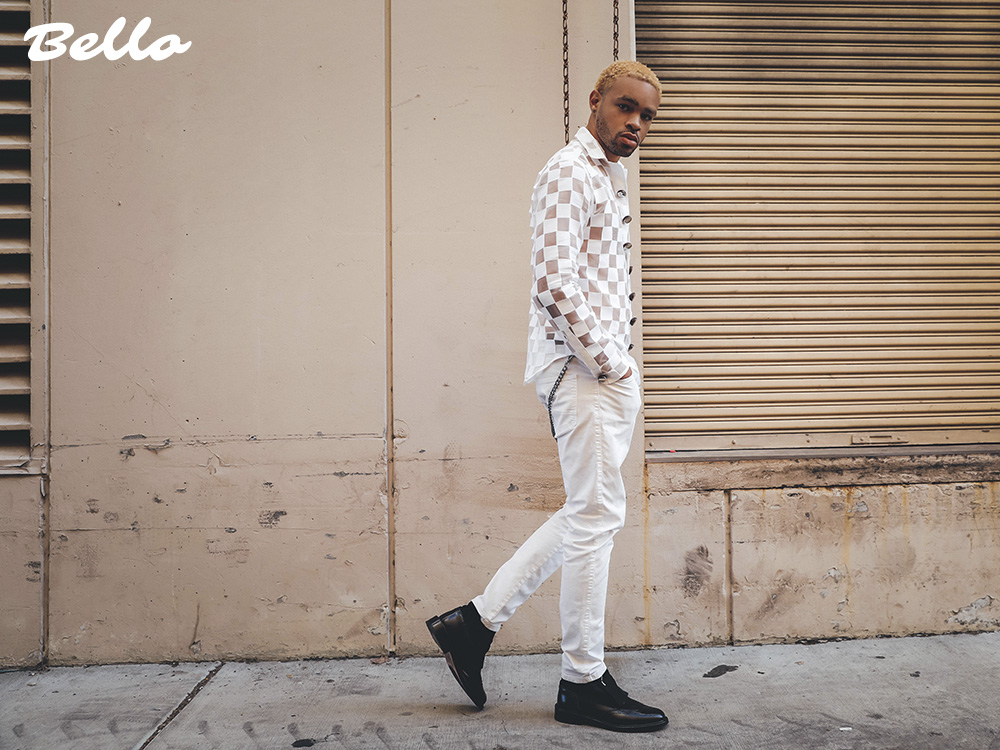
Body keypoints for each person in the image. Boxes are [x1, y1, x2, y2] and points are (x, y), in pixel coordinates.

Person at [426, 60, 667, 734]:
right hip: (584, 373)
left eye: (647, 117)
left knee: (589, 514)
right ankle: (581, 682)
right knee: (594, 519)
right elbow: (555, 282)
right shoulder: (569, 171)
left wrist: (616, 367)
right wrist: (610, 364)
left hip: (595, 375)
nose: (636, 124)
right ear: (596, 101)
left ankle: (472, 625)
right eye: (626, 108)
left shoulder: (605, 177)